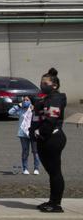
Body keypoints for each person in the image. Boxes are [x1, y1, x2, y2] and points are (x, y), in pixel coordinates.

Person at [30, 68, 67, 212]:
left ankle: (56, 204)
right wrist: (33, 132)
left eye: (45, 83)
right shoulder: (45, 98)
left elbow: (51, 120)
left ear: (54, 85)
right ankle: (52, 201)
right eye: (41, 82)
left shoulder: (56, 98)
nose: (42, 85)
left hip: (53, 138)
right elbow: (38, 116)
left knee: (55, 171)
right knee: (51, 172)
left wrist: (40, 132)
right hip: (44, 139)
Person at [8, 96, 40, 175]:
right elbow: (10, 112)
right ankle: (25, 168)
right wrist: (18, 105)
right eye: (24, 100)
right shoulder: (21, 110)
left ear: (31, 101)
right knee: (25, 151)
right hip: (23, 133)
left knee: (35, 152)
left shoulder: (34, 109)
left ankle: (36, 168)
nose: (25, 101)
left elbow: (38, 120)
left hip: (32, 133)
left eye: (27, 100)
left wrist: (34, 110)